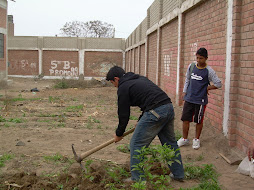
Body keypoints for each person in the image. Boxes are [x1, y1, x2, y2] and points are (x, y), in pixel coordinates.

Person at [106, 66, 184, 182]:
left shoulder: (123, 87)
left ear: (116, 79)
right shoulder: (139, 79)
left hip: (156, 111)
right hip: (168, 107)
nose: (114, 86)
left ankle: (137, 179)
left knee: (136, 144)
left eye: (113, 83)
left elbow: (124, 115)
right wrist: (141, 119)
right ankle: (178, 174)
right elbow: (149, 98)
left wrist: (119, 133)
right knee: (170, 143)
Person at [177, 47, 222, 150]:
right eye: (197, 58)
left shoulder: (209, 71)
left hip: (200, 100)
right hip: (189, 98)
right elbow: (187, 80)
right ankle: (184, 139)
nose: (198, 60)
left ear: (206, 58)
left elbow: (219, 84)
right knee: (185, 119)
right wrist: (184, 92)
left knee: (198, 120)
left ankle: (196, 139)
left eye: (201, 58)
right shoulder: (191, 66)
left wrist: (208, 87)